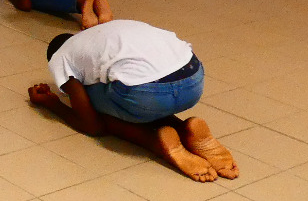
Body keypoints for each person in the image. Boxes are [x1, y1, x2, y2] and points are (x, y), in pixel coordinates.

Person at [27, 19, 239, 182]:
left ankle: (155, 140)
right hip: (193, 78)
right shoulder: (105, 31)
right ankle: (184, 129)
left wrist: (52, 104)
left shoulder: (61, 57)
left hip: (149, 94)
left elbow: (91, 126)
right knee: (129, 83)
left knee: (91, 106)